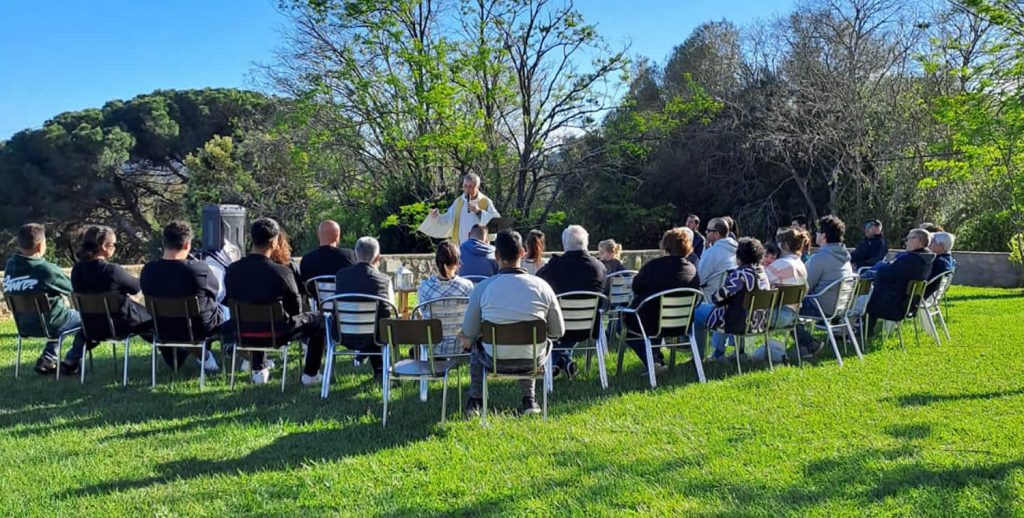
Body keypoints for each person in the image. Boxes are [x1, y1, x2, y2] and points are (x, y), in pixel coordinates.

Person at [461, 229, 564, 416]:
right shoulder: (543, 287)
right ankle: (529, 399)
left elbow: (469, 331)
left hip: (494, 359)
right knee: (533, 343)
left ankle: (476, 400)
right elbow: (558, 332)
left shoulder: (483, 288)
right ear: (523, 252)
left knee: (476, 346)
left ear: (496, 256)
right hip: (533, 360)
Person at [224, 218, 322, 385]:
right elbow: (296, 309)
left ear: (252, 239)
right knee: (319, 320)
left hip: (242, 330)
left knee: (255, 315)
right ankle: (311, 375)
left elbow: (229, 301)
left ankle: (259, 370)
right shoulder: (283, 273)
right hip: (277, 333)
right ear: (274, 242)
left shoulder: (232, 270)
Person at [65, 225, 154, 375]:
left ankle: (72, 357)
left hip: (91, 326)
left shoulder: (77, 270)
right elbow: (135, 288)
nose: (115, 248)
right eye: (114, 244)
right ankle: (176, 355)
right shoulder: (112, 270)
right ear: (104, 246)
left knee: (85, 332)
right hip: (120, 325)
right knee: (151, 322)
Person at [140, 221, 223, 372]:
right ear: (187, 245)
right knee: (226, 311)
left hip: (163, 328)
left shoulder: (148, 271)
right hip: (199, 328)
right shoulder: (199, 269)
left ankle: (198, 356)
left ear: (164, 242)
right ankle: (237, 353)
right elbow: (215, 293)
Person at [2, 223, 84, 375]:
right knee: (87, 320)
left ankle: (48, 358)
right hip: (51, 324)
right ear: (40, 246)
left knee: (55, 318)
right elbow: (74, 288)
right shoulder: (45, 269)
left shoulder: (10, 266)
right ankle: (71, 360)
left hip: (24, 326)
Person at [621, 227, 700, 372]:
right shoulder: (692, 270)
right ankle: (656, 359)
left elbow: (636, 286)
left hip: (651, 322)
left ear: (665, 246)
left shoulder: (654, 266)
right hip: (682, 323)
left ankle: (652, 359)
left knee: (623, 325)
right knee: (650, 313)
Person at [537, 225, 606, 377]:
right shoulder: (599, 267)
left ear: (564, 244)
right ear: (586, 242)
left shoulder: (554, 267)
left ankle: (556, 361)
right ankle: (563, 361)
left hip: (558, 326)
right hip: (589, 327)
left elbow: (538, 284)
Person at [696, 237, 772, 361]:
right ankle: (739, 352)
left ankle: (702, 355)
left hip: (737, 322)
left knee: (698, 310)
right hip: (758, 322)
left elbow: (718, 298)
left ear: (739, 257)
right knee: (728, 309)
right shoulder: (762, 273)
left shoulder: (739, 275)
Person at [334, 236, 395, 380]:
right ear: (378, 258)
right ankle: (380, 371)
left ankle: (369, 361)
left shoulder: (341, 276)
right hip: (375, 336)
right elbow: (390, 308)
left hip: (343, 334)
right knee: (380, 322)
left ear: (355, 255)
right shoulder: (384, 280)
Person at [796, 215, 853, 356]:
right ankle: (805, 347)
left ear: (824, 236)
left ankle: (809, 343)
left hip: (821, 307)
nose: (816, 234)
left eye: (818, 231)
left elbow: (803, 286)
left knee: (784, 308)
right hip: (840, 308)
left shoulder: (821, 258)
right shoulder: (845, 257)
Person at [866, 228, 935, 334]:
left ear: (918, 240)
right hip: (907, 304)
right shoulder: (927, 259)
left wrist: (883, 268)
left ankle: (862, 332)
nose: (906, 242)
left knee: (863, 301)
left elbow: (886, 273)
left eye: (908, 239)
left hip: (893, 305)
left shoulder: (911, 260)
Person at [417, 240, 475, 356]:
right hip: (462, 345)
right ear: (457, 262)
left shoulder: (424, 287)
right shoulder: (467, 286)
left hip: (434, 345)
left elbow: (422, 315)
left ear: (436, 262)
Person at [421, 173, 501, 244]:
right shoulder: (458, 202)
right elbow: (448, 219)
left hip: (479, 246)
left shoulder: (485, 201)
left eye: (471, 186)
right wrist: (437, 216)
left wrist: (479, 212)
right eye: (465, 186)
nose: (467, 190)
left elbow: (496, 221)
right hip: (460, 245)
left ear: (477, 187)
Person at [764, 227, 809, 332]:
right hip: (793, 315)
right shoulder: (801, 264)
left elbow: (761, 282)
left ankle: (733, 342)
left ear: (785, 244)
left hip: (776, 315)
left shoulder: (780, 264)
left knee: (735, 310)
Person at [300, 220, 356, 285]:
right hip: (343, 291)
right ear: (337, 237)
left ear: (318, 236)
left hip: (316, 292)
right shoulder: (349, 255)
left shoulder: (306, 260)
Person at [697, 217, 738, 300]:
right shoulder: (736, 249)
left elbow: (699, 279)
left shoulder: (712, 253)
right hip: (729, 299)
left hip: (710, 300)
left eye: (708, 230)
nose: (705, 232)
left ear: (716, 234)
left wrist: (706, 250)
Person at [925, 231, 956, 298]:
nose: (928, 245)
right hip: (933, 297)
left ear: (940, 245)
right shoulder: (948, 260)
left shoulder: (937, 262)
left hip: (923, 297)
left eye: (931, 242)